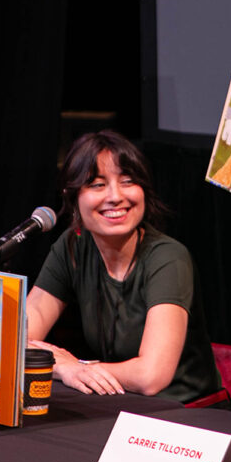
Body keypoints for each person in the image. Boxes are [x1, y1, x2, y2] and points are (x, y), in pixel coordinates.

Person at [27, 130, 219, 401]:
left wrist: (77, 367)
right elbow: (19, 340)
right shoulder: (72, 246)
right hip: (120, 404)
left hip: (187, 412)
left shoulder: (168, 258)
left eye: (128, 181)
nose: (115, 196)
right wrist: (62, 368)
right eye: (97, 184)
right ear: (72, 197)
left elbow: (151, 377)